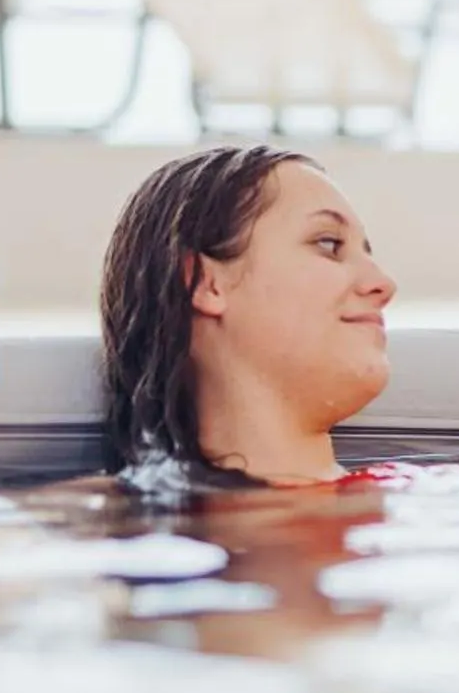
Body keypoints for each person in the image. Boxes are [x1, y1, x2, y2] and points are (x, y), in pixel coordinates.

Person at [99, 145, 395, 487]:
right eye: (329, 244)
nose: (384, 285)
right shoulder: (89, 521)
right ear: (206, 284)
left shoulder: (430, 495)